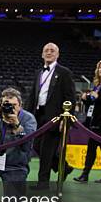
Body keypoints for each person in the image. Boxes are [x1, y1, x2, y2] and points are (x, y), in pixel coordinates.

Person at [25, 42, 76, 190]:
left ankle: (43, 182)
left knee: (47, 149)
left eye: (52, 50)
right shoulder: (38, 72)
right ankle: (64, 168)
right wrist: (26, 115)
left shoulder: (64, 72)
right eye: (46, 50)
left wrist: (66, 119)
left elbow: (70, 98)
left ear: (57, 54)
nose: (48, 52)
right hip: (37, 116)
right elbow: (32, 96)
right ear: (42, 54)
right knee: (36, 146)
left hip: (55, 117)